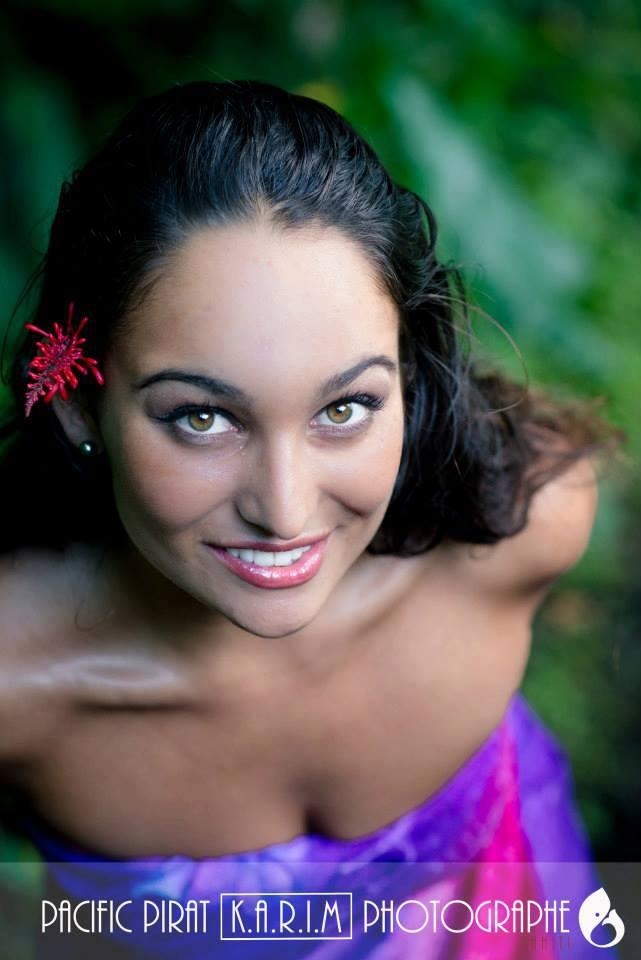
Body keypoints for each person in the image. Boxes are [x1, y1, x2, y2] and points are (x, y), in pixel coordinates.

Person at [0, 80, 617, 958]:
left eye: (344, 408)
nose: (284, 511)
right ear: (77, 405)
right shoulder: (17, 688)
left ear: (408, 379)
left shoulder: (529, 527)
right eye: (202, 417)